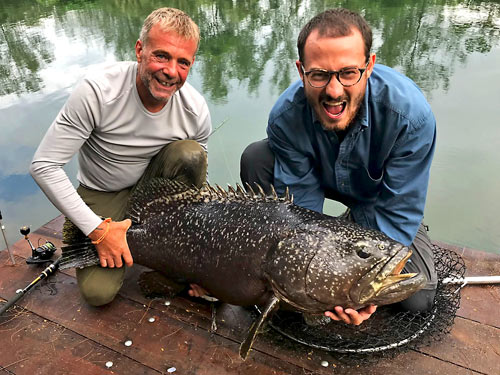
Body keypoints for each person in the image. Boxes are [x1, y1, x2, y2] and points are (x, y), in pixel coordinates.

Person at [240, 8, 437, 325]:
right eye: (319, 75)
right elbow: (302, 217)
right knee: (258, 158)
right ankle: (267, 265)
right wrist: (319, 283)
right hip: (319, 182)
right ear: (301, 71)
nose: (334, 91)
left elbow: (397, 213)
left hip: (381, 201)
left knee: (418, 299)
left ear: (369, 66)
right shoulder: (285, 117)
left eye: (348, 73)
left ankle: (360, 225)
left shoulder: (410, 118)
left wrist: (358, 290)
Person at [30, 8, 211, 306]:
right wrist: (98, 230)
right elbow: (44, 166)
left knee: (190, 154)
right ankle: (103, 233)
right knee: (98, 294)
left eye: (183, 63)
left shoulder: (195, 109)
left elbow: (197, 184)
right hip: (104, 191)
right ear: (140, 50)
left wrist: (198, 260)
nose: (171, 72)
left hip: (156, 194)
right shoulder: (98, 91)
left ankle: (167, 250)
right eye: (162, 56)